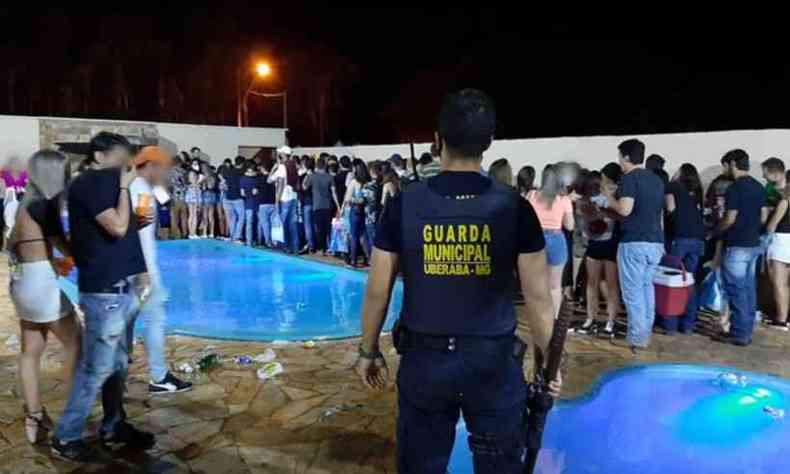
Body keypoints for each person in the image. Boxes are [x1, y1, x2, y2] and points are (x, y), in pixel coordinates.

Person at [355, 89, 560, 473]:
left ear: (437, 139)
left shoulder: (405, 203)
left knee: (422, 464)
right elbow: (538, 298)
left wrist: (368, 350)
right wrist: (548, 361)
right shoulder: (515, 207)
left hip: (426, 362)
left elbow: (378, 289)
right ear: (488, 142)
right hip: (493, 363)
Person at [52, 132, 155, 461]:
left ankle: (114, 425)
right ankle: (66, 436)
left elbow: (120, 230)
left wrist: (137, 222)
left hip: (124, 285)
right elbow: (115, 227)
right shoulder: (90, 183)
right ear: (98, 156)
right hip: (105, 290)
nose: (126, 159)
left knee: (118, 365)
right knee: (96, 367)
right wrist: (126, 190)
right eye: (119, 153)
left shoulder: (107, 185)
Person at [7, 150, 81, 444]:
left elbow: (12, 245)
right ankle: (72, 420)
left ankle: (34, 417)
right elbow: (63, 244)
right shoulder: (45, 205)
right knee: (78, 346)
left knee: (30, 352)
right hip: (40, 283)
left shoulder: (24, 205)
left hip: (21, 282)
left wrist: (50, 260)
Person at [128, 146, 193, 394]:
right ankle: (158, 375)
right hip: (142, 268)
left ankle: (118, 370)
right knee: (154, 321)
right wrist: (144, 270)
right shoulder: (141, 191)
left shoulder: (140, 188)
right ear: (151, 166)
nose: (166, 173)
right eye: (163, 168)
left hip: (138, 266)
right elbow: (137, 232)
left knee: (128, 322)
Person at [602, 138, 665, 352]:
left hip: (634, 243)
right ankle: (643, 334)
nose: (619, 161)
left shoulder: (630, 178)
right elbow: (644, 213)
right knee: (647, 290)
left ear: (626, 157)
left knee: (633, 294)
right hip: (655, 243)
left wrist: (608, 195)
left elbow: (625, 209)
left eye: (620, 156)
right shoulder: (656, 180)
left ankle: (638, 339)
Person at [708, 149, 768, 346]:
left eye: (725, 165)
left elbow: (729, 219)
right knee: (749, 290)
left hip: (737, 246)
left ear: (732, 164)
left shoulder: (734, 189)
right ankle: (746, 331)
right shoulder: (759, 187)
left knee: (736, 291)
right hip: (753, 245)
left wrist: (714, 232)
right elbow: (763, 217)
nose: (724, 169)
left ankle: (739, 334)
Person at [578, 164, 622, 336]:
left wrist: (602, 212)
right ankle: (590, 318)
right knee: (591, 283)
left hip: (610, 243)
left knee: (611, 284)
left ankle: (611, 321)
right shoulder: (586, 200)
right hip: (594, 244)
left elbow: (619, 214)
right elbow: (587, 225)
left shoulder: (610, 196)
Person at [662, 163, 706, 334]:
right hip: (698, 238)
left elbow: (671, 208)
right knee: (689, 280)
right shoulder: (695, 193)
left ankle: (670, 325)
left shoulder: (672, 186)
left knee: (671, 280)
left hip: (681, 238)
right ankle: (688, 324)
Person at [527, 165, 575, 318]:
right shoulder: (563, 199)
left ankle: (538, 318)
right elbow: (570, 225)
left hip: (535, 239)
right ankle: (553, 320)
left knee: (536, 284)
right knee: (555, 286)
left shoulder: (532, 195)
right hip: (556, 239)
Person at [765, 162, 790, 330]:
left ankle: (781, 320)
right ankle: (784, 317)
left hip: (781, 241)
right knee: (786, 283)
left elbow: (771, 226)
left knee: (779, 283)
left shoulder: (785, 201)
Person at [304, 156, 338, 254]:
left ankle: (320, 249)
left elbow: (304, 187)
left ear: (317, 166)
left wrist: (307, 175)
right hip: (328, 205)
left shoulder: (312, 176)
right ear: (325, 166)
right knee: (327, 228)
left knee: (319, 229)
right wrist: (338, 205)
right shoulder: (330, 177)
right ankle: (327, 248)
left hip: (317, 205)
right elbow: (333, 192)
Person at [269, 147, 300, 253]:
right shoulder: (294, 164)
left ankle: (284, 246)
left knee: (282, 222)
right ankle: (295, 247)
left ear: (282, 154)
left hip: (284, 197)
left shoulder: (282, 167)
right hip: (294, 196)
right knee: (292, 223)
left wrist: (273, 168)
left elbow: (270, 180)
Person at [343, 160, 371, 267]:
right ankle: (368, 258)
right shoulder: (368, 182)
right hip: (365, 210)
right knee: (363, 235)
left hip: (355, 210)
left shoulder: (354, 182)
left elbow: (348, 198)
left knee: (354, 235)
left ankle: (353, 259)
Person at [362, 161, 383, 256]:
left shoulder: (369, 186)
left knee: (371, 237)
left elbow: (363, 199)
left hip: (370, 215)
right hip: (380, 214)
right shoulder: (383, 183)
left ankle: (372, 258)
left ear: (371, 171)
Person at [224, 157, 245, 243]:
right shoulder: (242, 173)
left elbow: (224, 184)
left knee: (232, 218)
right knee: (241, 217)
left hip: (228, 197)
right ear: (242, 164)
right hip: (238, 198)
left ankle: (232, 236)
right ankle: (237, 237)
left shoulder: (228, 172)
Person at [167, 155, 188, 239]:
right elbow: (187, 184)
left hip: (174, 197)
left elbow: (169, 185)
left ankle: (175, 234)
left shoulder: (170, 172)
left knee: (174, 217)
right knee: (184, 217)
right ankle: (185, 233)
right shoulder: (184, 172)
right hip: (184, 197)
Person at [256, 162, 277, 247]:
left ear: (262, 168)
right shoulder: (274, 179)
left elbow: (255, 191)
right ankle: (274, 241)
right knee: (273, 224)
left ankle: (267, 241)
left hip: (263, 204)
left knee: (265, 224)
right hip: (273, 203)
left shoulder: (260, 179)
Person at [240, 163, 260, 246]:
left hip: (248, 203)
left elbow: (242, 194)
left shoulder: (242, 179)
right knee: (258, 223)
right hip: (257, 203)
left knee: (249, 223)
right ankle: (258, 240)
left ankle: (249, 241)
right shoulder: (257, 179)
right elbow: (256, 192)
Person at [299, 156, 316, 253]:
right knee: (313, 225)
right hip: (315, 202)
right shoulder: (317, 175)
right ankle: (313, 244)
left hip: (307, 202)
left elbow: (304, 188)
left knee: (308, 226)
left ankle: (310, 245)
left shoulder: (307, 176)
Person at [184, 164, 203, 239]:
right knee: (194, 215)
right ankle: (193, 233)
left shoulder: (188, 173)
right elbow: (195, 186)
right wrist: (198, 201)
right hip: (194, 194)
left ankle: (191, 233)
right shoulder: (194, 174)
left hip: (189, 194)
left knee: (191, 215)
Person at [201, 169, 218, 239]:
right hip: (213, 196)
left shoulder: (204, 178)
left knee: (205, 216)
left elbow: (204, 188)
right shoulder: (213, 178)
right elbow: (213, 187)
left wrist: (203, 182)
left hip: (206, 196)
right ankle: (211, 233)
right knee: (211, 216)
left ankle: (205, 233)